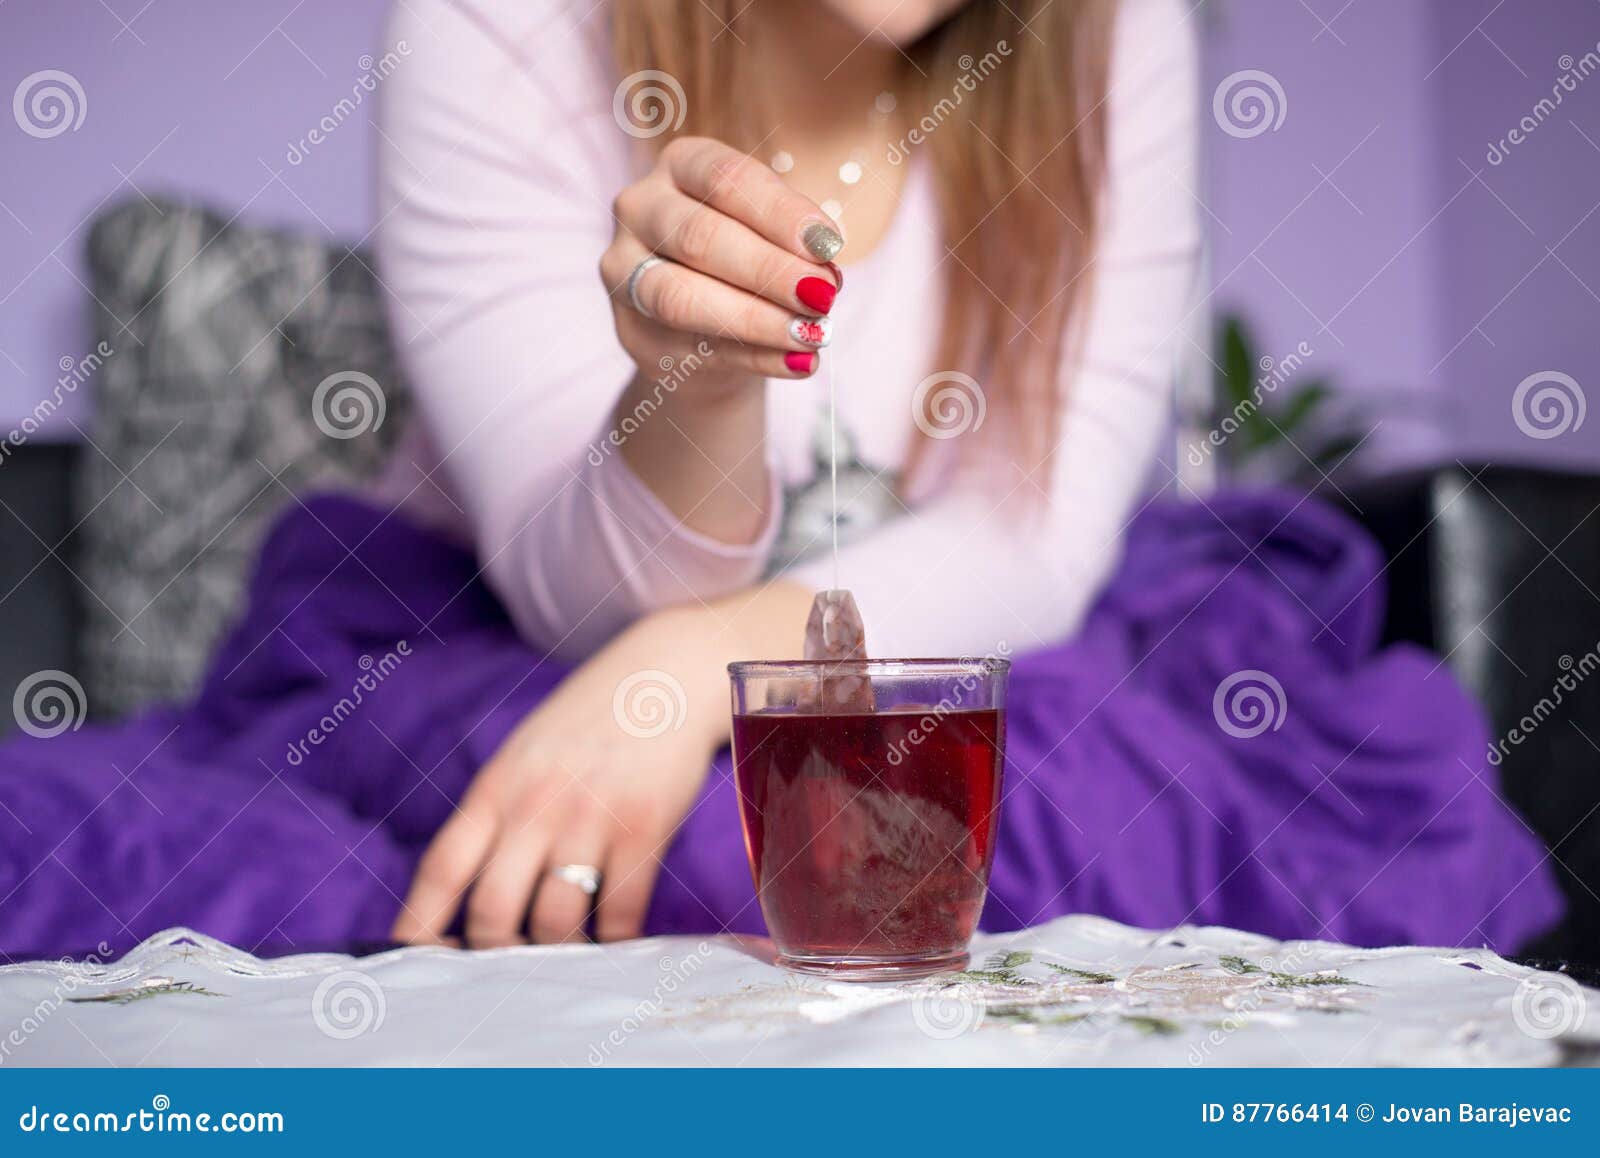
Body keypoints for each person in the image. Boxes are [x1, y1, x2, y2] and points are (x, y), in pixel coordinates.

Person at [0, 0, 1560, 957]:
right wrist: (696, 386)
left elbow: (1033, 531)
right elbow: (573, 589)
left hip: (941, 634)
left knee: (967, 843)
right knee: (740, 875)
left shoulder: (1113, 30)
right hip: (511, 628)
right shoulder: (498, 18)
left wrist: (693, 671)